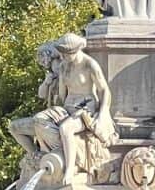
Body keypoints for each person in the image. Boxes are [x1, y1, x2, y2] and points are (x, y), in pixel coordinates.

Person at [33, 33, 116, 181]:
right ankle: (56, 152)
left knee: (66, 128)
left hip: (86, 108)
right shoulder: (64, 66)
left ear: (75, 51)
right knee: (38, 119)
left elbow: (104, 90)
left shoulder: (89, 64)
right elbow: (61, 95)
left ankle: (70, 168)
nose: (62, 57)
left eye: (66, 54)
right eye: (62, 54)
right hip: (68, 106)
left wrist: (103, 113)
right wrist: (53, 109)